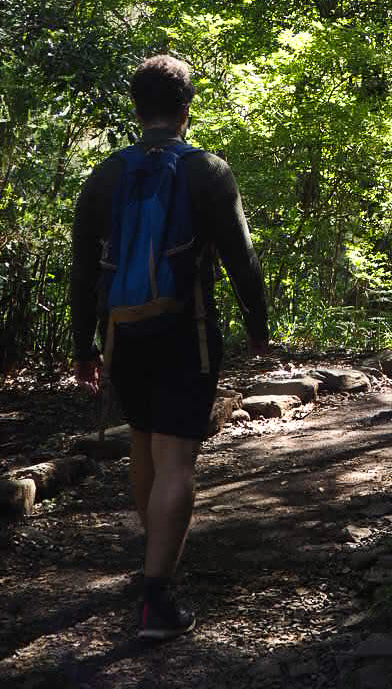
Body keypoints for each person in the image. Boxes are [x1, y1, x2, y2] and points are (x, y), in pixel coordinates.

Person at [71, 54, 269, 641]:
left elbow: (82, 270)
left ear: (137, 109)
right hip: (188, 332)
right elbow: (242, 259)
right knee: (177, 459)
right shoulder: (207, 171)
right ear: (186, 110)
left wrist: (84, 347)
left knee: (144, 446)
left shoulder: (105, 175)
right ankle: (157, 596)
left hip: (123, 333)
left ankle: (154, 560)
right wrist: (258, 328)